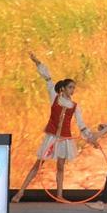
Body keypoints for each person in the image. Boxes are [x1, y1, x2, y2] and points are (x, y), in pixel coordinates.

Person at [12, 53, 94, 203]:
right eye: (70, 87)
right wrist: (37, 62)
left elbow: (82, 126)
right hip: (51, 137)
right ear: (63, 88)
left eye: (74, 88)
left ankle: (59, 194)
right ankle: (20, 192)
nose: (72, 90)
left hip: (64, 139)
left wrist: (90, 138)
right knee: (39, 163)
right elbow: (48, 79)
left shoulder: (75, 106)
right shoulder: (54, 98)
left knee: (60, 166)